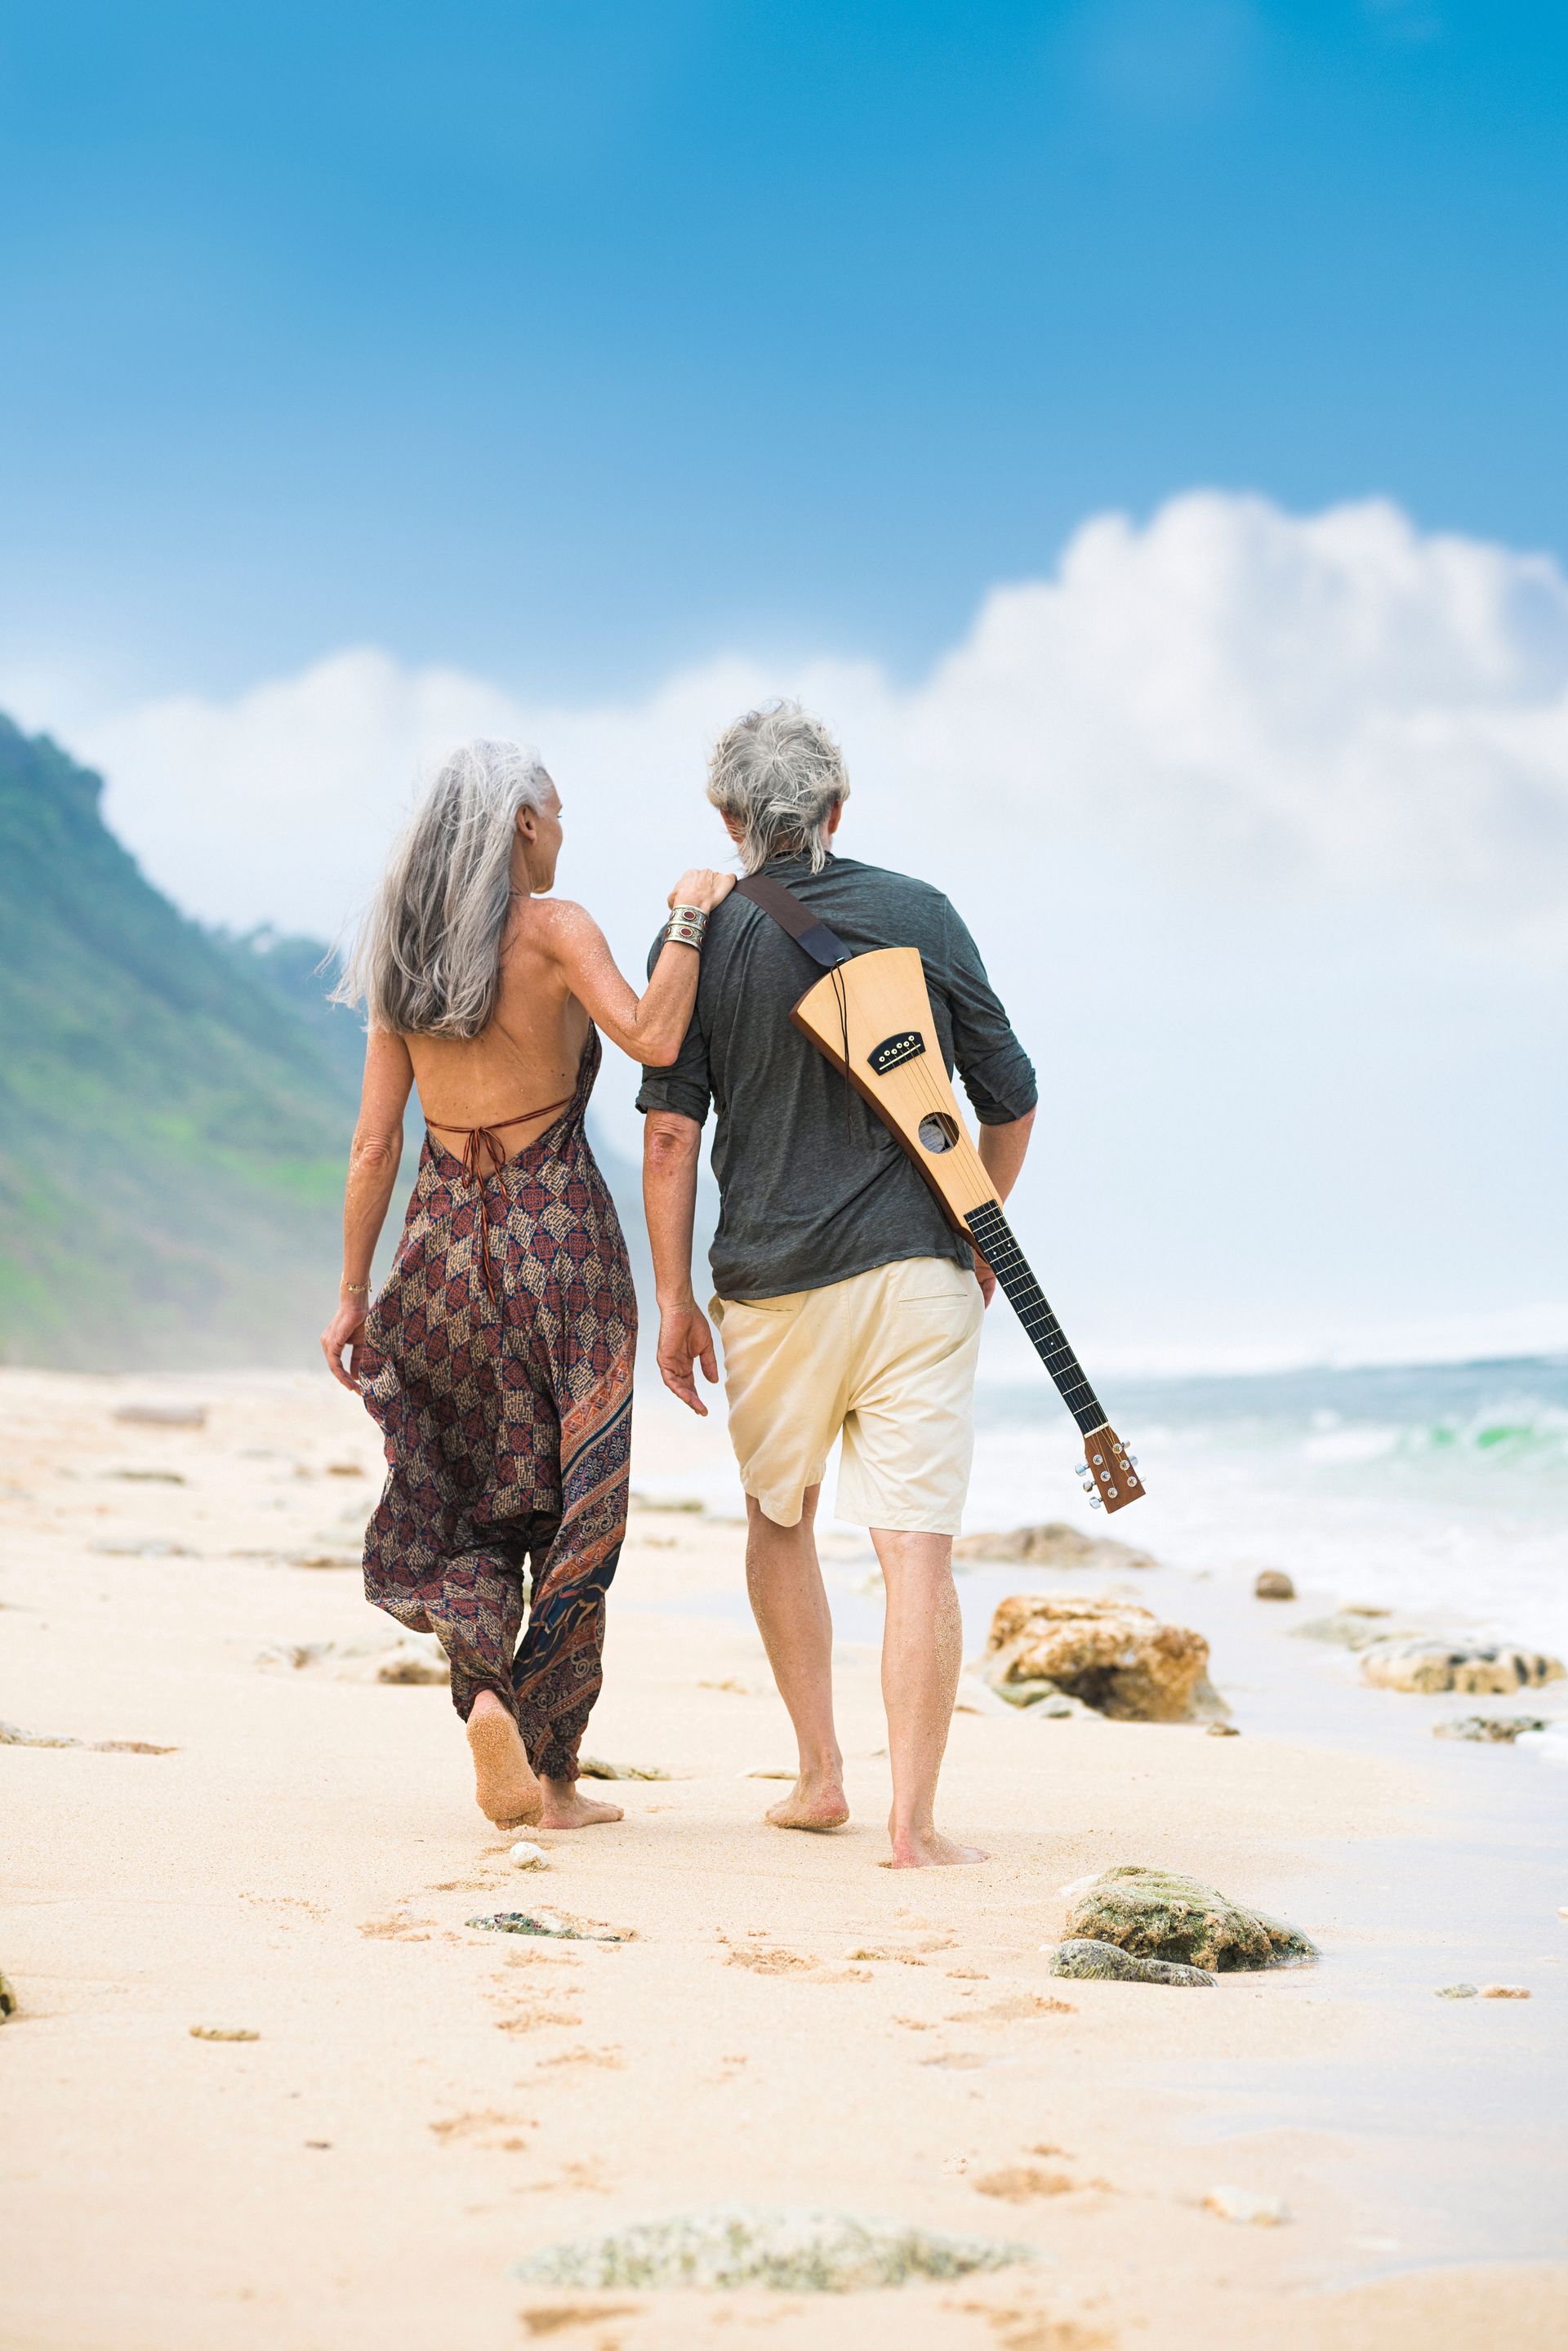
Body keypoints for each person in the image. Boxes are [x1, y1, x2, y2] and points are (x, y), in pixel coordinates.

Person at [639, 701, 1036, 1868]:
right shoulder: (922, 914)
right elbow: (1008, 1098)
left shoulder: (698, 938)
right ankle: (914, 1826)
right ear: (838, 810)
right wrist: (979, 1233)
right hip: (920, 1269)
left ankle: (821, 1778)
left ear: (726, 819)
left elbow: (668, 1140)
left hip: (769, 1285)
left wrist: (670, 1301)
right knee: (915, 1547)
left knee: (780, 1518)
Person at [322, 739, 732, 1831]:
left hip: (441, 1249)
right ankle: (550, 1778)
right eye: (556, 814)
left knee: (466, 1502)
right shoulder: (555, 931)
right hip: (563, 1247)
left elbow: (372, 1149)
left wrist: (355, 1292)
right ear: (520, 826)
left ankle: (488, 1697)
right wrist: (690, 916)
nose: (564, 834)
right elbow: (651, 1032)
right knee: (579, 1508)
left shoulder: (406, 963)